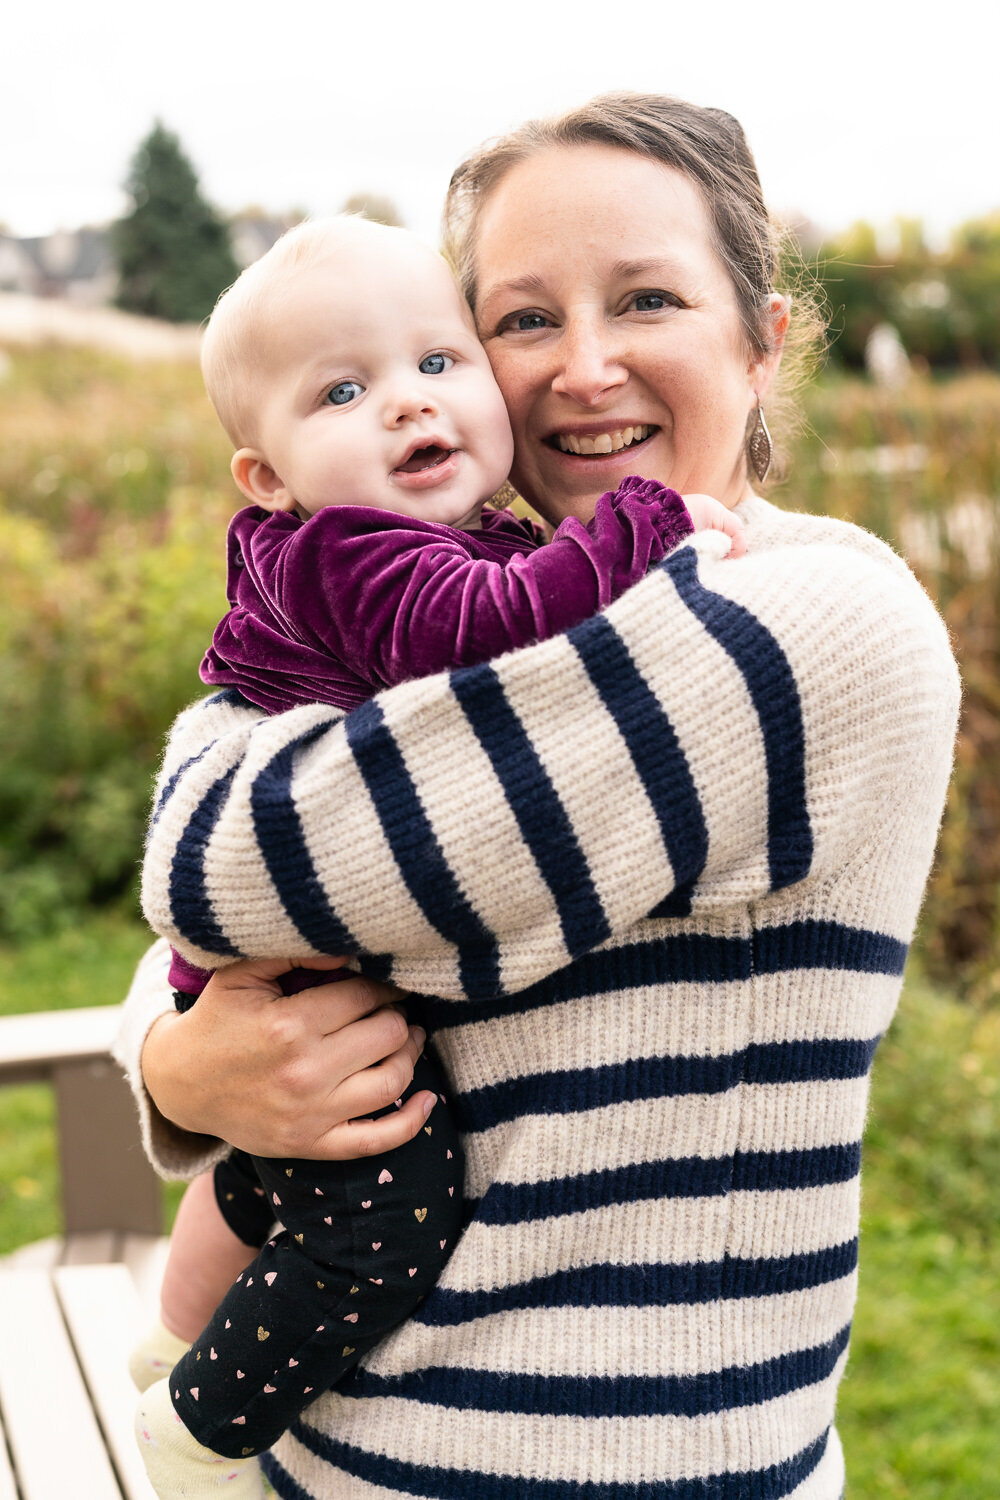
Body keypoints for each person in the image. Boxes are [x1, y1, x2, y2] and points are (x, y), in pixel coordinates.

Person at [117, 93, 960, 1500]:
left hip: (591, 1469)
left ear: (764, 338)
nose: (581, 369)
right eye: (519, 321)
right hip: (328, 1454)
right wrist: (177, 1060)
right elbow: (234, 867)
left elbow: (221, 853)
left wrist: (195, 970)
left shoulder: (812, 623)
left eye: (645, 299)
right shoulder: (477, 613)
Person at [131, 212, 743, 1500]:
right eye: (345, 391)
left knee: (289, 1160)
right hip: (303, 979)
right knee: (381, 1204)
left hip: (309, 960)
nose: (406, 405)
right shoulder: (362, 551)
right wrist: (641, 522)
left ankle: (170, 1336)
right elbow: (492, 626)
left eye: (437, 361)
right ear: (267, 477)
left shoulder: (445, 537)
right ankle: (199, 1427)